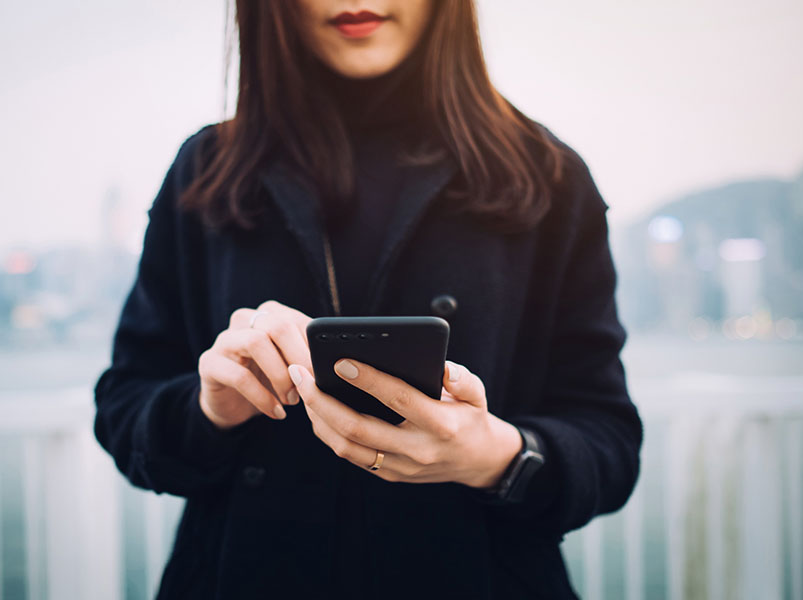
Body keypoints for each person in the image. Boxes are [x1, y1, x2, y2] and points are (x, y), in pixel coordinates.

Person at [93, 1, 643, 598]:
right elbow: (124, 407)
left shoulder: (545, 175)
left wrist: (495, 456)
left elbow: (608, 443)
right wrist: (209, 409)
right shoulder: (207, 171)